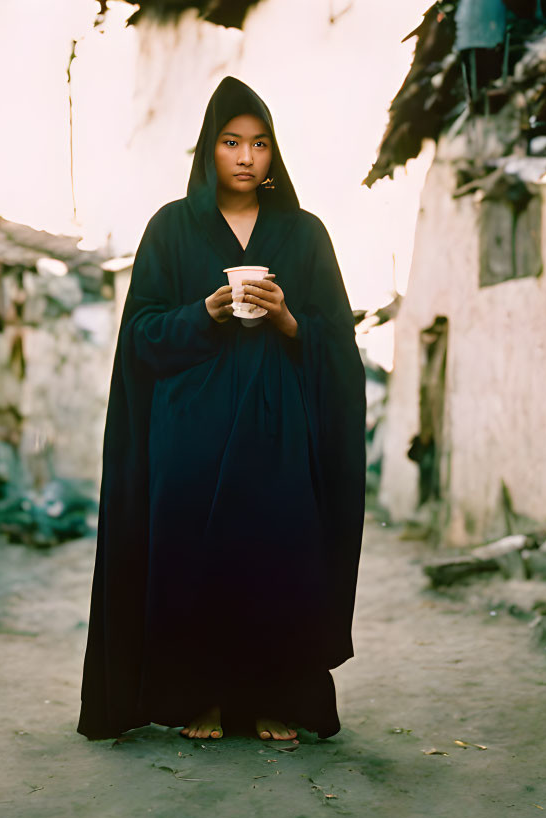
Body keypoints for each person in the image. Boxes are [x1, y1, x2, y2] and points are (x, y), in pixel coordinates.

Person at [76, 77, 366, 744]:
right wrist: (202, 314)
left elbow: (337, 341)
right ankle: (196, 697)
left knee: (275, 556)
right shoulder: (171, 229)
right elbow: (142, 335)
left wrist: (291, 321)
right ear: (209, 150)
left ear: (273, 155)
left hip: (277, 436)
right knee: (190, 557)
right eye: (231, 142)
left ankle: (272, 698)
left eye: (259, 143)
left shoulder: (304, 233)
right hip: (189, 433)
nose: (245, 156)